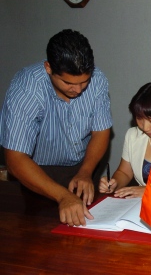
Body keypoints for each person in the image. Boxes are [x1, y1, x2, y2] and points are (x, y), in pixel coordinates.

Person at [0, 29, 112, 226]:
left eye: (84, 82)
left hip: (84, 166)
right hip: (39, 174)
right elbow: (15, 158)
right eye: (68, 82)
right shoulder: (26, 88)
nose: (77, 90)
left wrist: (86, 172)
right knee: (41, 236)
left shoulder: (98, 80)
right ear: (48, 68)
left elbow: (101, 132)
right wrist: (62, 196)